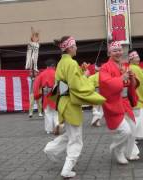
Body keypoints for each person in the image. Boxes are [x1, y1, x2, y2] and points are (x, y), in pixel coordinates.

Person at [43, 36, 105, 178]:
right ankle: (67, 168)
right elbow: (77, 86)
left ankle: (50, 149)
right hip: (71, 104)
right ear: (69, 48)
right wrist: (88, 78)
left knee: (70, 135)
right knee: (76, 139)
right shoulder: (71, 63)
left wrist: (82, 74)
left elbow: (67, 83)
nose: (76, 48)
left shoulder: (61, 63)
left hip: (64, 102)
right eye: (75, 45)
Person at [99, 41, 140, 165]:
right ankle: (117, 149)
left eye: (119, 50)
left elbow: (132, 84)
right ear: (109, 53)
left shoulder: (124, 66)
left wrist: (132, 77)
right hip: (114, 102)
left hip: (125, 101)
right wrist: (122, 78)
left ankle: (130, 153)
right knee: (125, 131)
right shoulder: (105, 67)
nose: (118, 53)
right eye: (114, 51)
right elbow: (106, 84)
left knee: (133, 129)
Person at [128, 50, 143, 140]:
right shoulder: (135, 68)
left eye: (138, 57)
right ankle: (133, 138)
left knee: (140, 117)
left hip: (137, 96)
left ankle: (141, 135)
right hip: (137, 97)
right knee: (137, 118)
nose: (138, 59)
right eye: (136, 58)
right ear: (131, 59)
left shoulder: (134, 67)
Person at [33, 59, 58, 134]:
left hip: (46, 93)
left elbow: (36, 85)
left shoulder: (42, 74)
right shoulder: (56, 73)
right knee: (56, 111)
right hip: (55, 92)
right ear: (53, 65)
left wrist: (36, 95)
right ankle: (57, 124)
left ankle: (48, 129)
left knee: (47, 112)